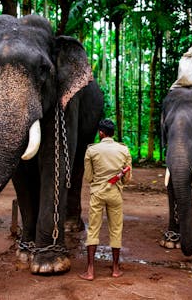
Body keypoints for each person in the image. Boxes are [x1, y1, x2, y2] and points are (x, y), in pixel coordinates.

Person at [79, 119, 132, 281]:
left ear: (101, 133)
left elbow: (88, 177)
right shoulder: (123, 150)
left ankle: (90, 271)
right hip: (115, 194)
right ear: (113, 133)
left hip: (97, 194)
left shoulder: (92, 151)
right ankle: (115, 269)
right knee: (116, 230)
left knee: (93, 229)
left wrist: (98, 181)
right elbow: (127, 178)